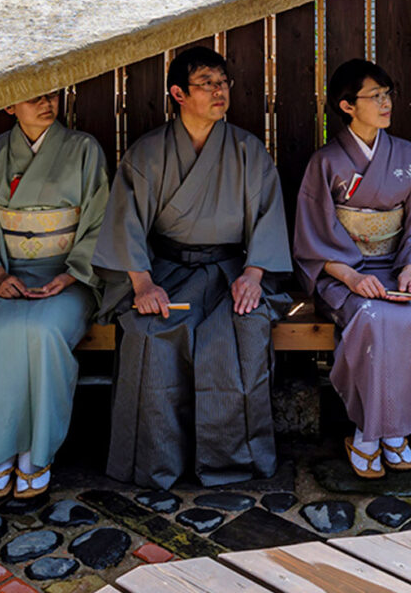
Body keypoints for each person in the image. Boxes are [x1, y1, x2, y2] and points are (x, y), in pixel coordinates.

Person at [93, 46, 292, 489]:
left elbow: (267, 216)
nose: (220, 91)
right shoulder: (148, 154)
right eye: (207, 83)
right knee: (147, 334)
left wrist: (254, 275)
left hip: (229, 273)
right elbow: (126, 222)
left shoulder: (248, 151)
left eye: (223, 82)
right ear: (178, 94)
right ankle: (156, 461)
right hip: (165, 272)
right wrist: (142, 284)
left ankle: (233, 460)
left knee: (240, 332)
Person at [0, 92, 109, 500]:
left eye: (52, 94)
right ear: (9, 105)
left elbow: (99, 219)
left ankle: (37, 452)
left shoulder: (84, 150)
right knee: (3, 330)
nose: (46, 103)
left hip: (68, 279)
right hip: (6, 276)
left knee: (43, 330)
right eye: (33, 97)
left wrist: (71, 275)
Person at [292, 59, 411, 479]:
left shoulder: (406, 156)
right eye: (374, 96)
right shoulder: (326, 162)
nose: (385, 102)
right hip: (343, 275)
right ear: (347, 106)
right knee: (372, 318)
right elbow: (312, 233)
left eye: (387, 94)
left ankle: (382, 432)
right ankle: (375, 432)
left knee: (409, 318)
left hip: (396, 268)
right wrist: (353, 277)